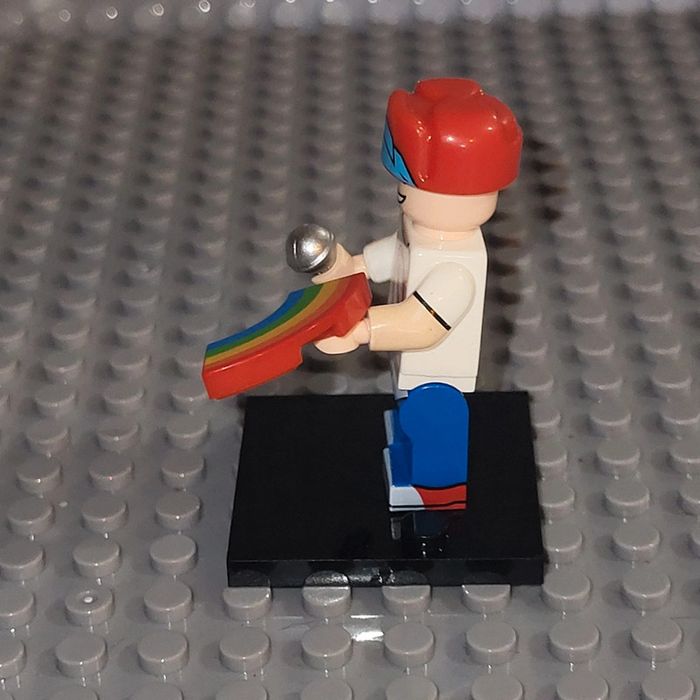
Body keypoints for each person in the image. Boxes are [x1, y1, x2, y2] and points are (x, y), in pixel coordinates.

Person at [311, 78, 522, 510]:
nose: (401, 195)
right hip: (412, 367)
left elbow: (421, 324)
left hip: (437, 375)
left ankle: (433, 497)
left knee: (433, 427)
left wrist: (360, 331)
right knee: (410, 415)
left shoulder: (457, 267)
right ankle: (410, 461)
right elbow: (399, 253)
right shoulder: (424, 233)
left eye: (407, 187)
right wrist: (358, 264)